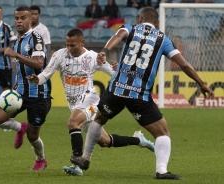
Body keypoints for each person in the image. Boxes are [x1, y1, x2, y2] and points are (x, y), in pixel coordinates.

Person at [70, 7, 214, 180]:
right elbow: (183, 64)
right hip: (139, 95)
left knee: (99, 119)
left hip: (117, 89)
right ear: (157, 22)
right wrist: (201, 84)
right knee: (162, 133)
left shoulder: (130, 28)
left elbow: (118, 36)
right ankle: (161, 170)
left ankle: (85, 158)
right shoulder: (163, 39)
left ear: (140, 18)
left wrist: (105, 51)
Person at [27, 28, 154, 176]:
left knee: (73, 123)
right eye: (67, 45)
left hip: (90, 100)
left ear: (82, 42)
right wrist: (37, 80)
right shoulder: (59, 55)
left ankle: (77, 164)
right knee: (104, 141)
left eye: (73, 45)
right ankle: (139, 141)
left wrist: (116, 67)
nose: (69, 48)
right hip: (74, 103)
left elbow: (115, 75)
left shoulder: (93, 57)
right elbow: (45, 74)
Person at [0, 6, 51, 171]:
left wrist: (16, 55)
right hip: (19, 92)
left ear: (30, 19)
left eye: (22, 18)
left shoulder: (36, 39)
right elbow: (18, 68)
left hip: (38, 94)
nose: (19, 21)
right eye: (16, 18)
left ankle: (41, 160)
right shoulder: (14, 41)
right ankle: (19, 127)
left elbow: (39, 64)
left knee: (33, 136)